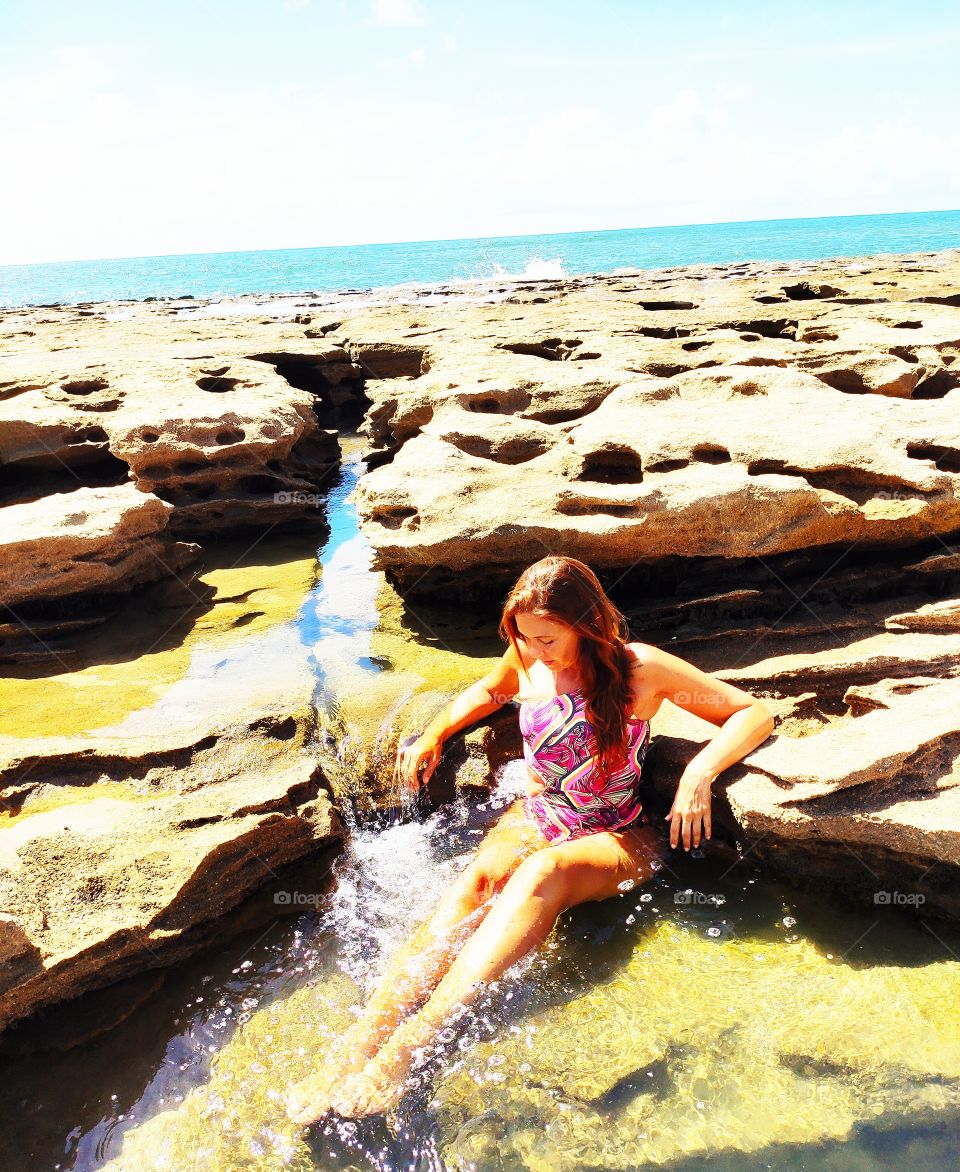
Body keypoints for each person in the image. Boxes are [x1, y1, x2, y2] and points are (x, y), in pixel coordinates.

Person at [287, 556, 775, 1123]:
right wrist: (434, 734)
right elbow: (490, 692)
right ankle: (363, 1035)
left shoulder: (641, 669)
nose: (536, 650)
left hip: (618, 831)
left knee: (540, 874)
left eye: (548, 637)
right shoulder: (525, 655)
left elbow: (751, 712)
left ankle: (412, 1042)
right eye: (524, 637)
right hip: (541, 811)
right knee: (480, 880)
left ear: (586, 624)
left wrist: (700, 772)